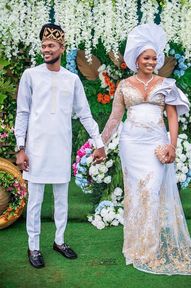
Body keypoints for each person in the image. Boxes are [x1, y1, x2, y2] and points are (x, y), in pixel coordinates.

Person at [101, 23, 191, 275]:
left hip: (156, 144)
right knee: (134, 193)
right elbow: (114, 118)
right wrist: (101, 144)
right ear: (137, 59)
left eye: (154, 57)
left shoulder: (166, 84)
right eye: (146, 58)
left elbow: (172, 117)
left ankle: (150, 250)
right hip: (131, 144)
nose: (151, 61)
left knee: (151, 191)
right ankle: (134, 247)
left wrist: (172, 146)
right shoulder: (124, 85)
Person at [15, 23, 105, 269]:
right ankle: (33, 247)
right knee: (35, 201)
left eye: (51, 45)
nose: (46, 49)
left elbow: (85, 114)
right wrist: (20, 147)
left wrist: (98, 143)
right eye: (43, 45)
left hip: (61, 148)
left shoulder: (72, 79)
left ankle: (59, 241)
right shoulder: (30, 75)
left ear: (61, 48)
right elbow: (22, 113)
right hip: (35, 150)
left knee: (61, 200)